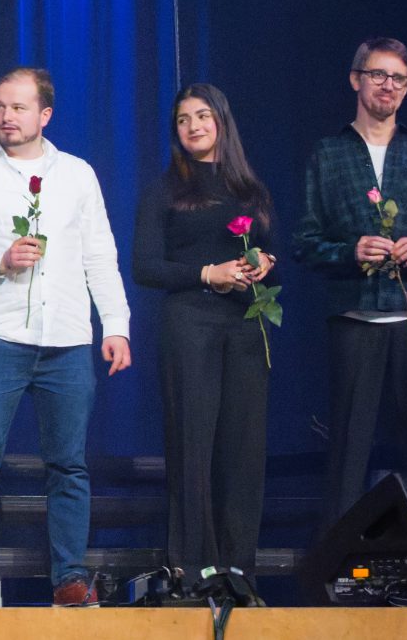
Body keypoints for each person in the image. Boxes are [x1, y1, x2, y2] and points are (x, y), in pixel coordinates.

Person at [0, 66, 132, 608]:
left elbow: (100, 255)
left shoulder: (78, 175)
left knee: (69, 464)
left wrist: (115, 325)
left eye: (18, 108)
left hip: (66, 337)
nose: (6, 117)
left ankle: (70, 578)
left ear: (45, 114)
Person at [293, 37, 407, 533]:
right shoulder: (328, 154)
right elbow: (305, 242)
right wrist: (350, 251)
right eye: (378, 74)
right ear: (356, 79)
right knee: (349, 449)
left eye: (398, 79)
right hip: (356, 316)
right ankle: (340, 560)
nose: (388, 85)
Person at [132, 83, 278, 578]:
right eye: (183, 119)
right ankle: (193, 572)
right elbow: (145, 267)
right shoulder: (164, 190)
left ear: (221, 121)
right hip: (189, 324)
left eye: (202, 116)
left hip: (245, 326)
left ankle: (239, 571)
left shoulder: (250, 190)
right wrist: (206, 273)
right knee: (192, 445)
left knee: (243, 448)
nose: (193, 126)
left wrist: (265, 262)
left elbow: (275, 257)